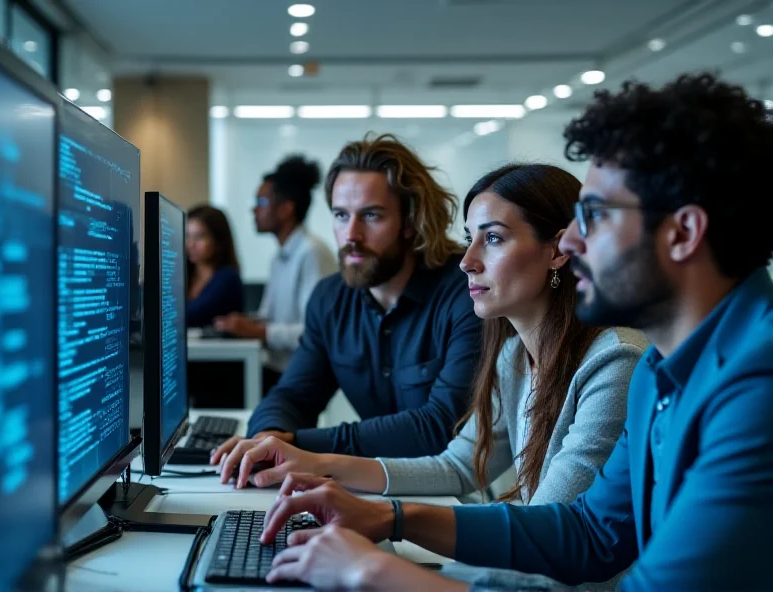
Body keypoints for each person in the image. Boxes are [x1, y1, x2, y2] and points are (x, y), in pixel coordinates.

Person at [251, 73, 773, 591]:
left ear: (682, 233)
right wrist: (391, 518)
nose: (571, 239)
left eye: (594, 216)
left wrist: (372, 570)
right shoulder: (664, 369)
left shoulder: (755, 389)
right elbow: (590, 534)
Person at [227, 164, 647, 534]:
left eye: (494, 239)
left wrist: (389, 524)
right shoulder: (514, 357)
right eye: (469, 239)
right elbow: (457, 466)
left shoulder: (614, 363)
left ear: (557, 250)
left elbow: (550, 533)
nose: (467, 260)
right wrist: (315, 463)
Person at [210, 133, 482, 467]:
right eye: (341, 215)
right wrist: (268, 436)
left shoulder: (465, 292)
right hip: (368, 486)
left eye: (371, 216)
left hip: (454, 496)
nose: (351, 235)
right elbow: (293, 395)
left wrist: (298, 444)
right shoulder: (330, 299)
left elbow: (440, 426)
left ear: (410, 221)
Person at [213, 156, 337, 392]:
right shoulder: (279, 257)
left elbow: (313, 331)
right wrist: (242, 323)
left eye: (261, 201)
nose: (254, 209)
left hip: (301, 376)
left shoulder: (312, 253)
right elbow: (269, 317)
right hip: (277, 368)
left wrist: (257, 331)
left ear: (286, 209)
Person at [185, 204, 245, 327]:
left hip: (216, 346)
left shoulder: (227, 277)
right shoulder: (184, 275)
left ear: (218, 241)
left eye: (199, 237)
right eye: (187, 236)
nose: (190, 244)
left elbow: (192, 315)